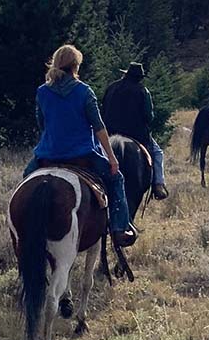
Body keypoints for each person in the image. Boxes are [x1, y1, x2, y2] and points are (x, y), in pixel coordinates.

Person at [23, 44, 137, 247]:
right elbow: (99, 127)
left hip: (48, 154)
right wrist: (111, 158)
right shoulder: (84, 91)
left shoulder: (42, 92)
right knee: (116, 179)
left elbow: (42, 123)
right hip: (82, 154)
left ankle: (21, 227)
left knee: (26, 179)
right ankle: (120, 228)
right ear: (75, 66)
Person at [101, 62, 170, 200]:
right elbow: (149, 116)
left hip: (110, 133)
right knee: (157, 153)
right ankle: (158, 185)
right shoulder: (143, 91)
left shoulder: (111, 87)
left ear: (125, 74)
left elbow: (103, 109)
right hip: (137, 134)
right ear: (140, 77)